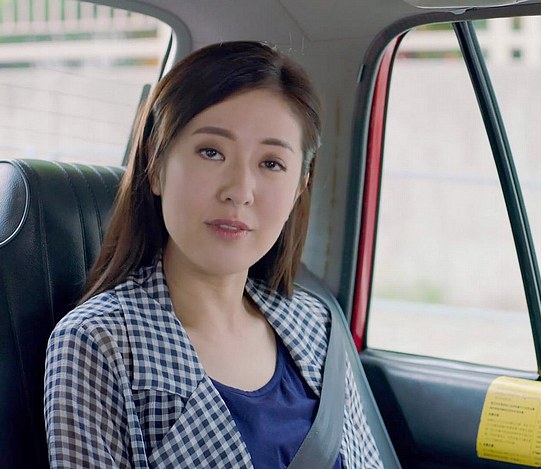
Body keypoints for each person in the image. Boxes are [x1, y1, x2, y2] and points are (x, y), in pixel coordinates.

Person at [44, 41, 383, 468]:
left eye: (271, 164)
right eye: (211, 152)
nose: (239, 191)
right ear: (156, 166)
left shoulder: (316, 326)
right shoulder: (100, 343)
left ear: (300, 187)